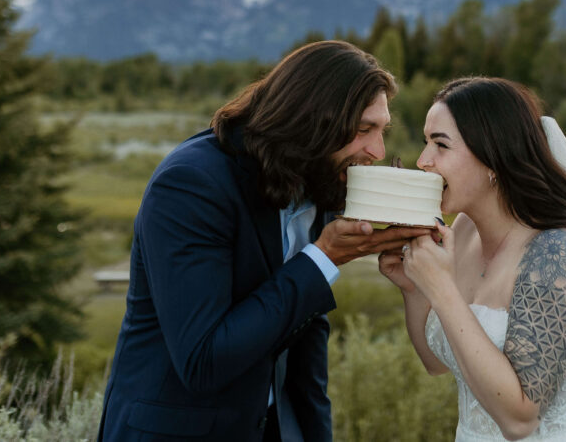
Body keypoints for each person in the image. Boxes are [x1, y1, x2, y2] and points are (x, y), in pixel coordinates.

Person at [98, 40, 430, 442]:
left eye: (382, 130)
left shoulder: (317, 179)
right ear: (310, 121)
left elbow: (305, 346)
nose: (377, 151)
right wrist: (323, 258)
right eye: (363, 130)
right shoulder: (192, 184)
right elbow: (204, 361)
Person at [379, 77, 566, 441]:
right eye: (426, 143)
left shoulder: (557, 254)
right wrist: (414, 290)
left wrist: (440, 288)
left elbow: (520, 420)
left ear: (494, 156)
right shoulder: (465, 230)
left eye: (440, 144)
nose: (423, 161)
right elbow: (438, 362)